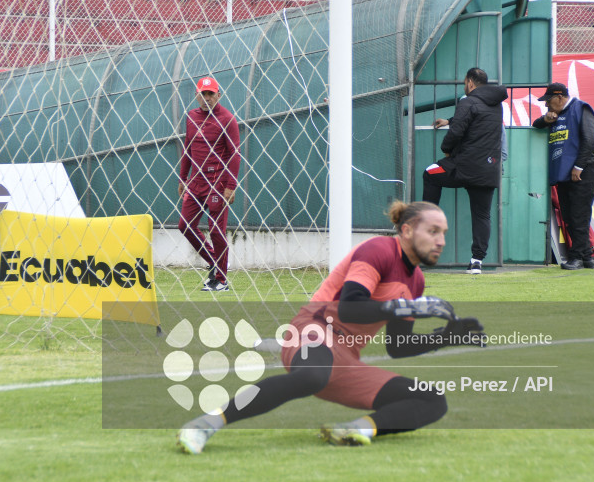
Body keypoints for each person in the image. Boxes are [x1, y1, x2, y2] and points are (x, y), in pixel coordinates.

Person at [177, 201, 485, 454]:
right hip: (312, 330)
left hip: (345, 359)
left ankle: (355, 430)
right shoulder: (378, 250)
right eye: (433, 231)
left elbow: (398, 346)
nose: (441, 240)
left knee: (431, 398)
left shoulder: (415, 280)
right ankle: (206, 423)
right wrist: (409, 307)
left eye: (443, 233)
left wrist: (447, 336)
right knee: (312, 374)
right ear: (406, 230)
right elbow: (351, 305)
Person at [423, 67, 508, 274]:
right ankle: (477, 261)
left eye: (464, 83)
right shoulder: (497, 106)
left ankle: (427, 225)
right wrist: (450, 120)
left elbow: (458, 130)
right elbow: (475, 121)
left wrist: (447, 150)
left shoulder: (467, 101)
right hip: (489, 169)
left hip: (464, 167)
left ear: (470, 82)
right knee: (482, 215)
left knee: (429, 173)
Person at [178, 76, 241, 291]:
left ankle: (221, 280)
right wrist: (182, 178)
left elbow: (235, 153)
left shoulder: (227, 119)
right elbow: (187, 149)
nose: (206, 98)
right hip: (196, 181)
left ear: (218, 95)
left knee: (216, 229)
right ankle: (215, 261)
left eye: (210, 94)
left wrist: (231, 185)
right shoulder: (191, 117)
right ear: (197, 96)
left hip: (217, 182)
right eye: (202, 94)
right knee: (185, 225)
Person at [532, 82, 594, 270]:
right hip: (564, 174)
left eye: (548, 101)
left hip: (583, 172)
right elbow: (536, 124)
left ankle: (576, 257)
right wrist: (546, 119)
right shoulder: (555, 115)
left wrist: (579, 166)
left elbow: (589, 139)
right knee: (570, 216)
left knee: (579, 215)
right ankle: (587, 257)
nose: (546, 105)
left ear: (559, 98)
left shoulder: (581, 108)